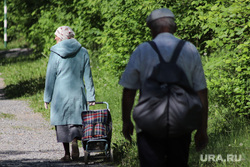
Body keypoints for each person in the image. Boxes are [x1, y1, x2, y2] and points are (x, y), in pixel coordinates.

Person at [119, 8, 208, 166]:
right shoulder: (189, 49)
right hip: (181, 122)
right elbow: (201, 92)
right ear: (174, 27)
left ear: (152, 29)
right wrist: (202, 129)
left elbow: (129, 91)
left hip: (149, 124)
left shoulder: (142, 50)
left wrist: (126, 122)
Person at [44, 26, 96, 161]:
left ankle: (67, 154)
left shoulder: (55, 53)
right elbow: (88, 76)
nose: (55, 38)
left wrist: (47, 97)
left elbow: (50, 76)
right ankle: (75, 140)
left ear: (61, 37)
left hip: (59, 94)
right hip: (77, 91)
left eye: (56, 35)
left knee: (62, 122)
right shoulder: (83, 51)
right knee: (77, 120)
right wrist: (91, 96)